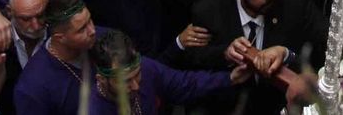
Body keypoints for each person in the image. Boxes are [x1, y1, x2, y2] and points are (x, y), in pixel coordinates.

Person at [176, 0, 325, 115]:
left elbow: (324, 49)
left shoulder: (296, 3)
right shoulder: (209, 9)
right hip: (227, 105)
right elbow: (195, 60)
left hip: (279, 104)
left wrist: (287, 55)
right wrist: (226, 54)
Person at [86, 29, 241, 114]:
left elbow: (184, 84)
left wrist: (230, 78)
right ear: (101, 79)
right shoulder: (92, 110)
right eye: (125, 81)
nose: (136, 86)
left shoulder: (146, 68)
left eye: (137, 75)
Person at [12, 0, 101, 115]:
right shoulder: (34, 87)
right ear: (60, 38)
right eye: (82, 29)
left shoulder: (104, 40)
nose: (92, 31)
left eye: (90, 20)